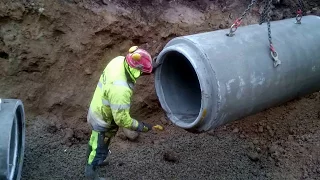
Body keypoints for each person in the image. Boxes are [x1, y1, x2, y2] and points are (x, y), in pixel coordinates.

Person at [85, 46, 159, 179]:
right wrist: (140, 126)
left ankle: (98, 159)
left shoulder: (119, 60)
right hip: (102, 119)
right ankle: (91, 172)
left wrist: (152, 65)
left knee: (95, 141)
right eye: (142, 73)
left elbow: (138, 64)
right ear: (136, 70)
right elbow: (121, 119)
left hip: (97, 107)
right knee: (99, 146)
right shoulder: (121, 90)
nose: (142, 76)